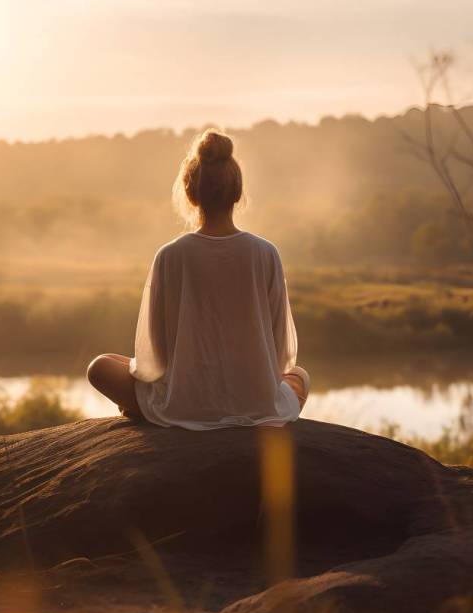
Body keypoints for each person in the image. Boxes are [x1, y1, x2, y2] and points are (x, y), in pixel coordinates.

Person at [87, 129, 309, 430]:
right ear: (237, 191)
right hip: (254, 403)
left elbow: (156, 358)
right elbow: (282, 355)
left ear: (190, 193)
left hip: (185, 405)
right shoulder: (265, 252)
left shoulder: (170, 255)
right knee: (300, 376)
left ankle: (149, 412)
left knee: (100, 367)